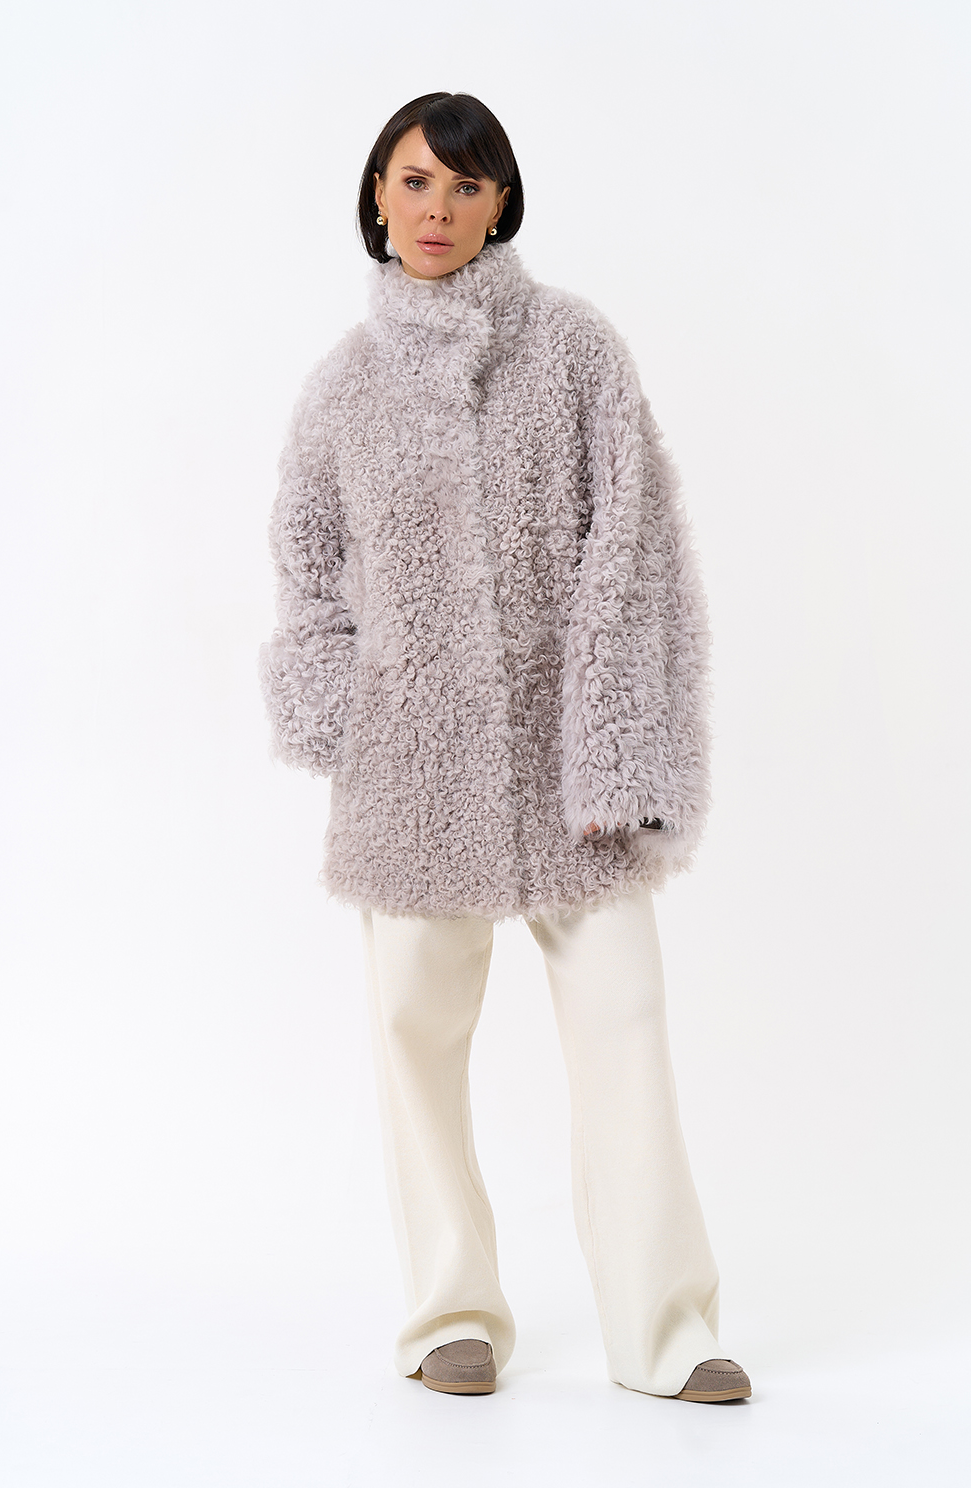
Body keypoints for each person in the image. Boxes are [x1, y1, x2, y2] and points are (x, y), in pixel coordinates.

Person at [260, 91, 751, 1404]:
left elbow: (635, 549)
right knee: (413, 1037)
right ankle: (450, 1316)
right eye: (415, 181)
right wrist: (341, 721)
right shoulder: (342, 389)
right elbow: (309, 570)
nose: (438, 210)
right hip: (409, 774)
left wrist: (617, 747)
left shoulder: (577, 351)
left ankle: (667, 1331)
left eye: (466, 187)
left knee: (625, 1022)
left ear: (502, 204)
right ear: (377, 196)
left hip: (572, 768)